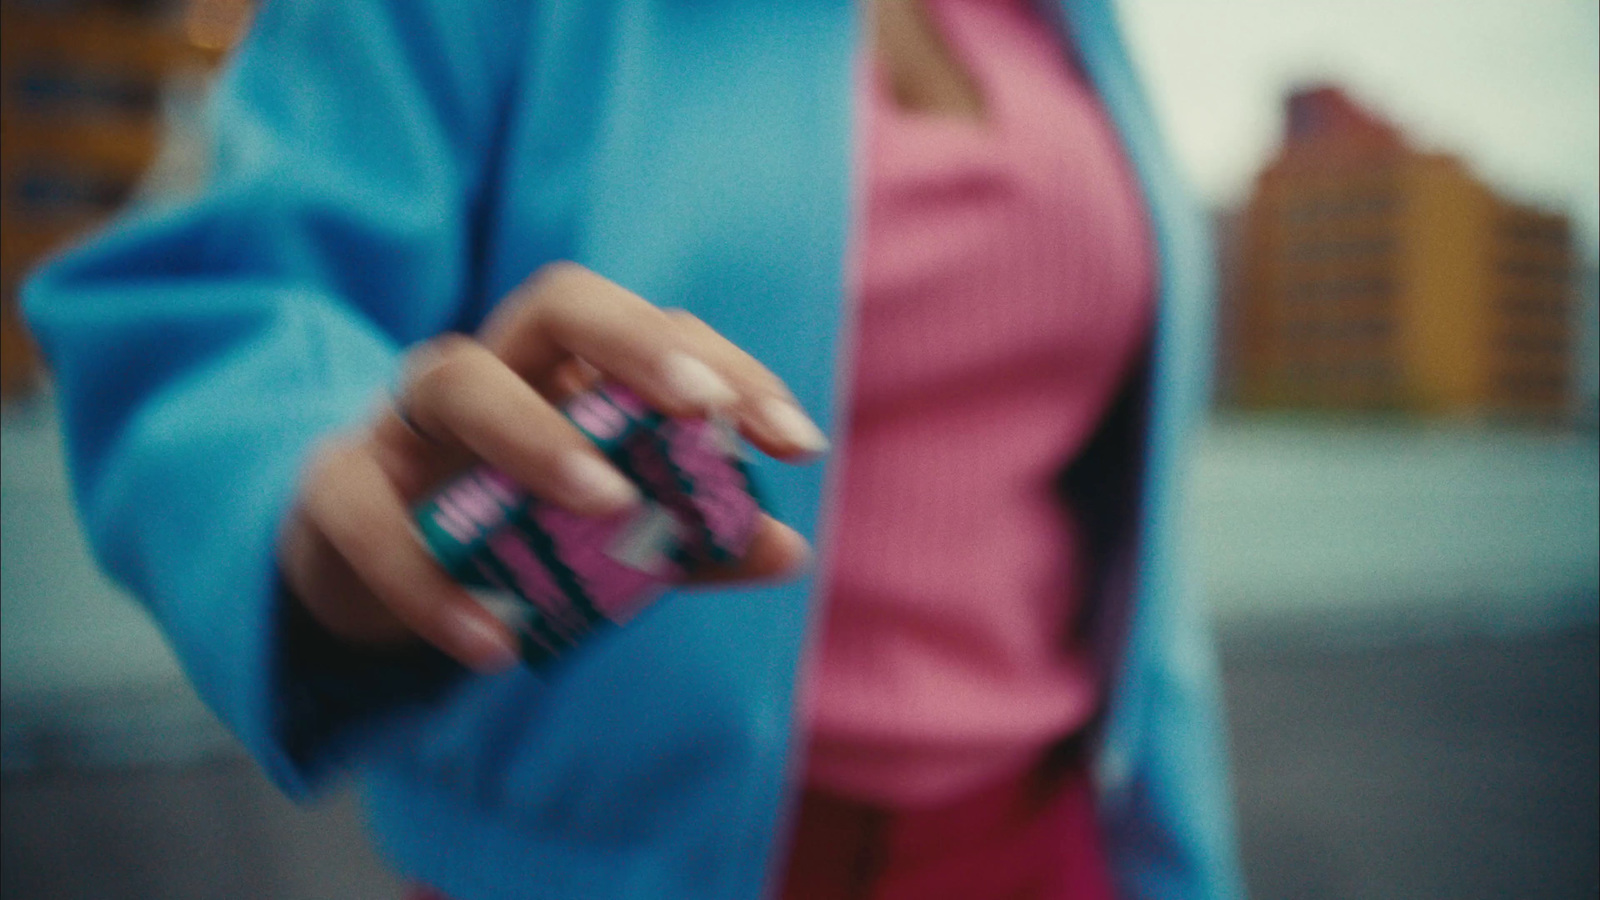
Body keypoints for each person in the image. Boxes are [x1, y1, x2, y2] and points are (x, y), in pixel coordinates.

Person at [23, 0, 1243, 897]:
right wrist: (308, 493)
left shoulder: (1068, 26)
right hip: (600, 871)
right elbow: (223, 305)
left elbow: (1123, 511)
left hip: (1044, 843)